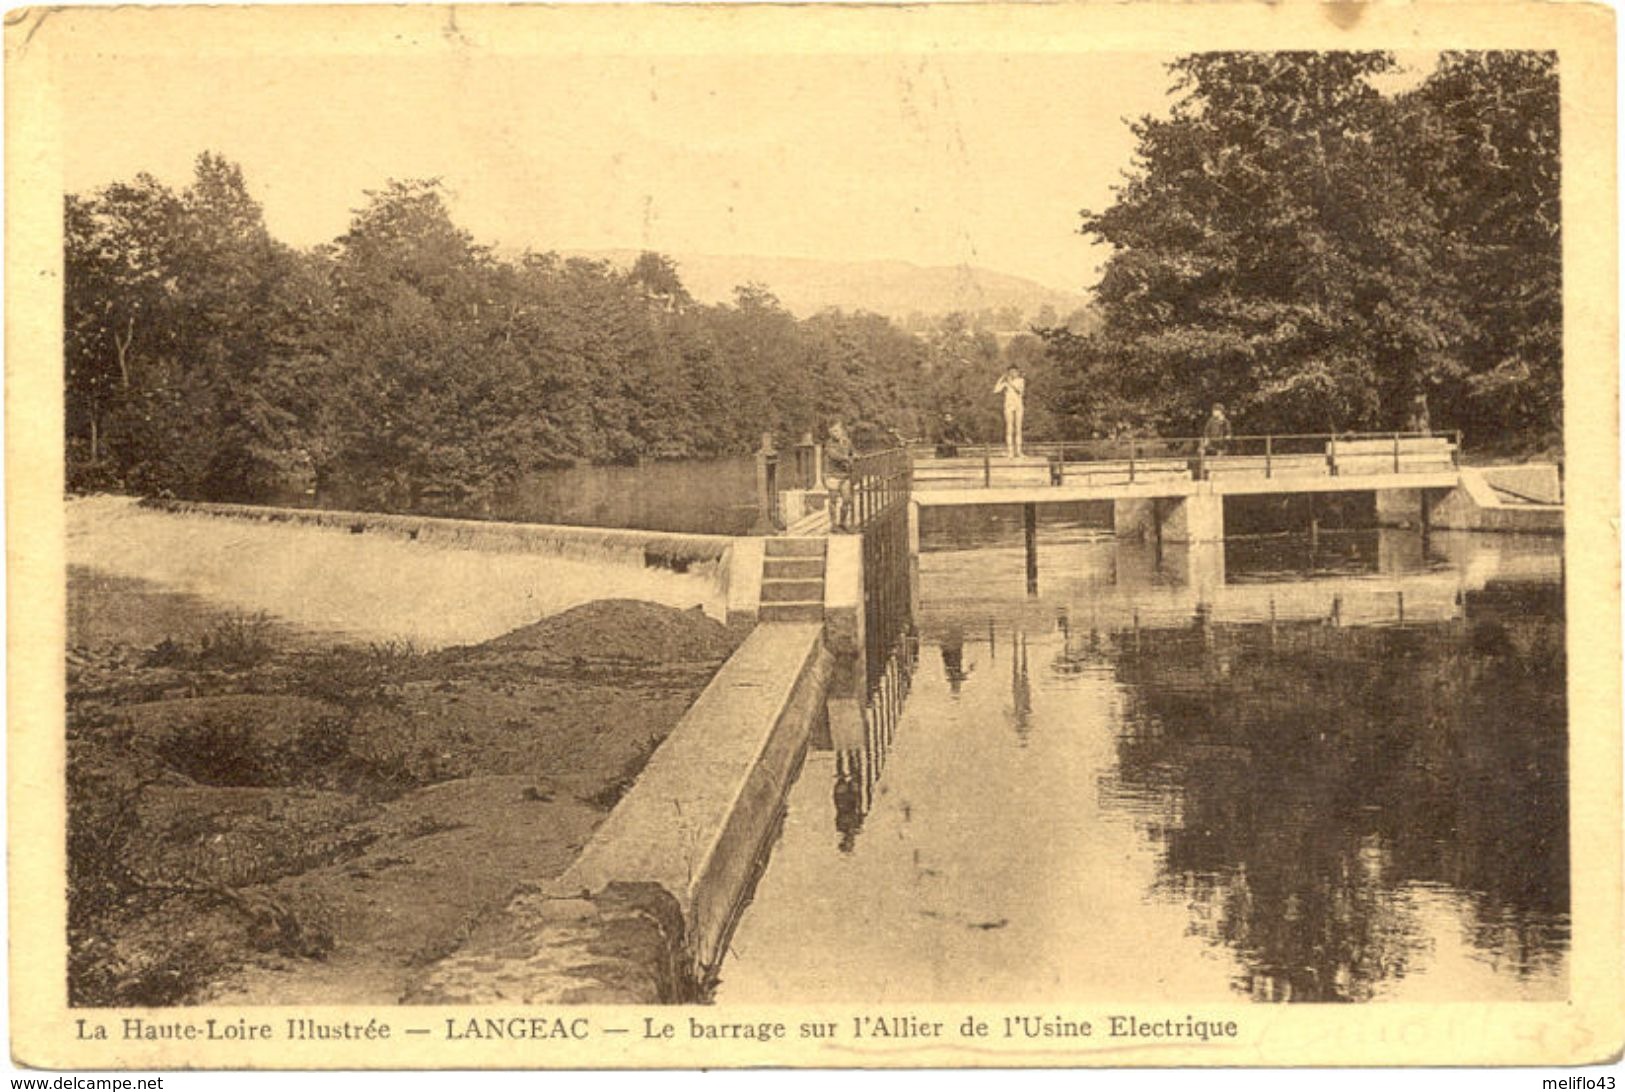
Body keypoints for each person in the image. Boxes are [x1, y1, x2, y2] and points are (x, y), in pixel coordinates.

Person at [824, 421, 856, 532]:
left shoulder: (847, 442)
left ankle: (843, 522)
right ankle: (833, 525)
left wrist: (854, 457)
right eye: (832, 431)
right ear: (829, 433)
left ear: (841, 431)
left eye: (837, 430)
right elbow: (834, 456)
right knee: (833, 499)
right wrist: (847, 458)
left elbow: (853, 453)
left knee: (847, 499)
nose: (835, 433)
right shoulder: (829, 444)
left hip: (845, 475)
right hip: (832, 475)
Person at [994, 365, 1026, 458]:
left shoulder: (1021, 380)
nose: (1013, 373)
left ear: (1017, 372)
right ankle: (1010, 451)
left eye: (1014, 371)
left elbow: (1020, 391)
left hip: (1018, 405)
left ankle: (1019, 451)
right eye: (1011, 372)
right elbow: (995, 390)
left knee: (1018, 428)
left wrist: (1010, 383)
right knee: (1009, 428)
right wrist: (1001, 379)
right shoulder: (1006, 383)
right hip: (1008, 405)